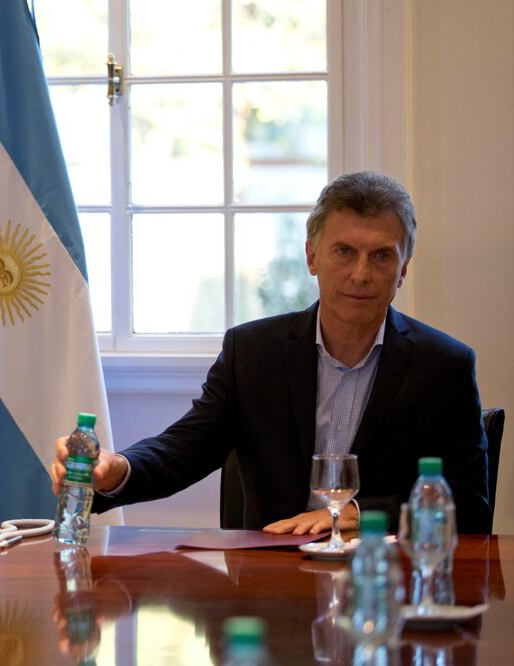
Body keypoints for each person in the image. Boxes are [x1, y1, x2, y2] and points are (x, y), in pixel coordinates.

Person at [50, 171, 490, 535]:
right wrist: (116, 469)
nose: (361, 274)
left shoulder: (444, 366)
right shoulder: (253, 353)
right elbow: (184, 449)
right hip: (272, 585)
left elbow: (469, 506)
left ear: (403, 269)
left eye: (381, 256)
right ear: (311, 256)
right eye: (344, 251)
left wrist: (355, 514)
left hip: (386, 585)